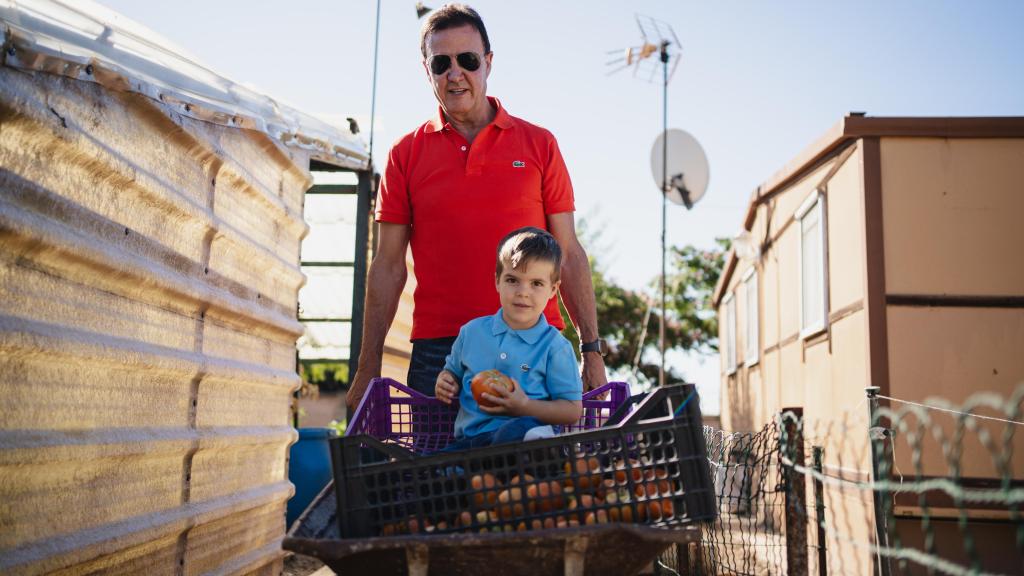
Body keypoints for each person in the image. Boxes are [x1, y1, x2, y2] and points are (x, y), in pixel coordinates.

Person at [346, 4, 607, 414]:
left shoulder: (540, 145)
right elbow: (387, 265)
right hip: (441, 355)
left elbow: (569, 252)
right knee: (440, 479)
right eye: (441, 63)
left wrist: (591, 350)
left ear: (488, 63)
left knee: (538, 478)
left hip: (534, 344)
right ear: (426, 70)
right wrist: (367, 366)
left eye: (467, 60)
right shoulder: (405, 154)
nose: (455, 73)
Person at [434, 227, 582, 449]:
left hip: (521, 442)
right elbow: (452, 372)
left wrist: (524, 407)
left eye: (536, 283)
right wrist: (445, 380)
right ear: (497, 281)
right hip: (470, 442)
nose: (523, 292)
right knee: (430, 469)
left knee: (519, 431)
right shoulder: (471, 332)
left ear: (553, 289)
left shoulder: (555, 346)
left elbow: (572, 410)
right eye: (512, 280)